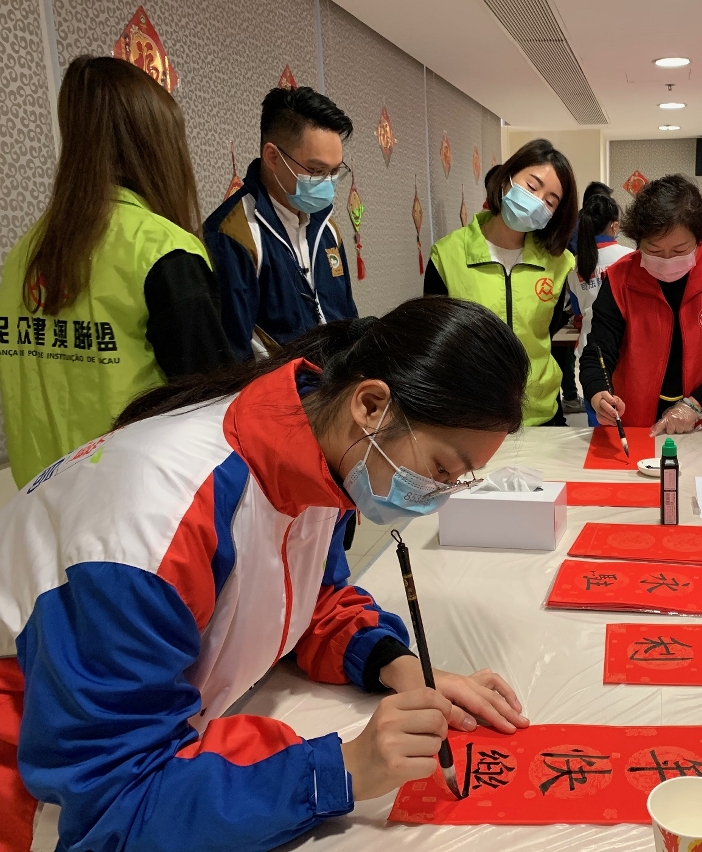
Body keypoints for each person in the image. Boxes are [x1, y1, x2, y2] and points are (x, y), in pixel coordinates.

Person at [0, 299, 533, 852]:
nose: (438, 495)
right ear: (371, 405)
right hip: (33, 773)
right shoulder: (155, 527)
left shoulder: (322, 442)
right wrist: (345, 769)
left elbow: (308, 597)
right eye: (441, 469)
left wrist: (401, 668)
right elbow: (115, 804)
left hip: (151, 729)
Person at [0, 56, 233, 491]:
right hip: (136, 503)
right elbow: (214, 410)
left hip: (43, 501)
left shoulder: (24, 257)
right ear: (157, 147)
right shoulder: (161, 250)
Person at [579, 175, 702, 436]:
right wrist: (598, 393)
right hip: (637, 418)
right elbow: (598, 349)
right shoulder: (621, 277)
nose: (666, 260)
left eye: (679, 250)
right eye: (653, 250)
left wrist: (695, 406)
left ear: (699, 238)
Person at [424, 138, 578, 427]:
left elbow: (548, 328)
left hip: (540, 412)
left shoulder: (558, 263)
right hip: (471, 414)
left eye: (550, 201)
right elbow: (436, 339)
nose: (537, 201)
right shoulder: (447, 255)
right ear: (507, 178)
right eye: (531, 186)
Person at [205, 86, 357, 361]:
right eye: (317, 170)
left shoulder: (327, 229)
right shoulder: (234, 235)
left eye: (335, 171)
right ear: (273, 157)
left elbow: (347, 319)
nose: (327, 183)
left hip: (337, 382)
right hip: (280, 386)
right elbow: (233, 356)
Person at [570, 193, 634, 425]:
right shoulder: (630, 258)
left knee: (599, 419)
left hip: (590, 351)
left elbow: (577, 310)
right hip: (625, 349)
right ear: (614, 225)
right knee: (629, 419)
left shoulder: (576, 264)